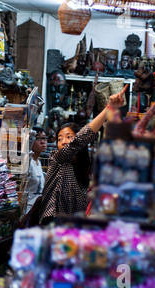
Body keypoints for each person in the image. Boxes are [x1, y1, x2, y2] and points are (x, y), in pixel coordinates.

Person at [38, 84, 129, 225]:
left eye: (68, 137)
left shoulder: (83, 170)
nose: (63, 142)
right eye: (59, 139)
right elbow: (79, 141)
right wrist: (108, 108)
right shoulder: (56, 159)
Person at [24, 127, 47, 215]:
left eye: (44, 138)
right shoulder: (28, 162)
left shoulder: (38, 162)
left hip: (36, 210)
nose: (42, 142)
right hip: (27, 211)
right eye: (38, 139)